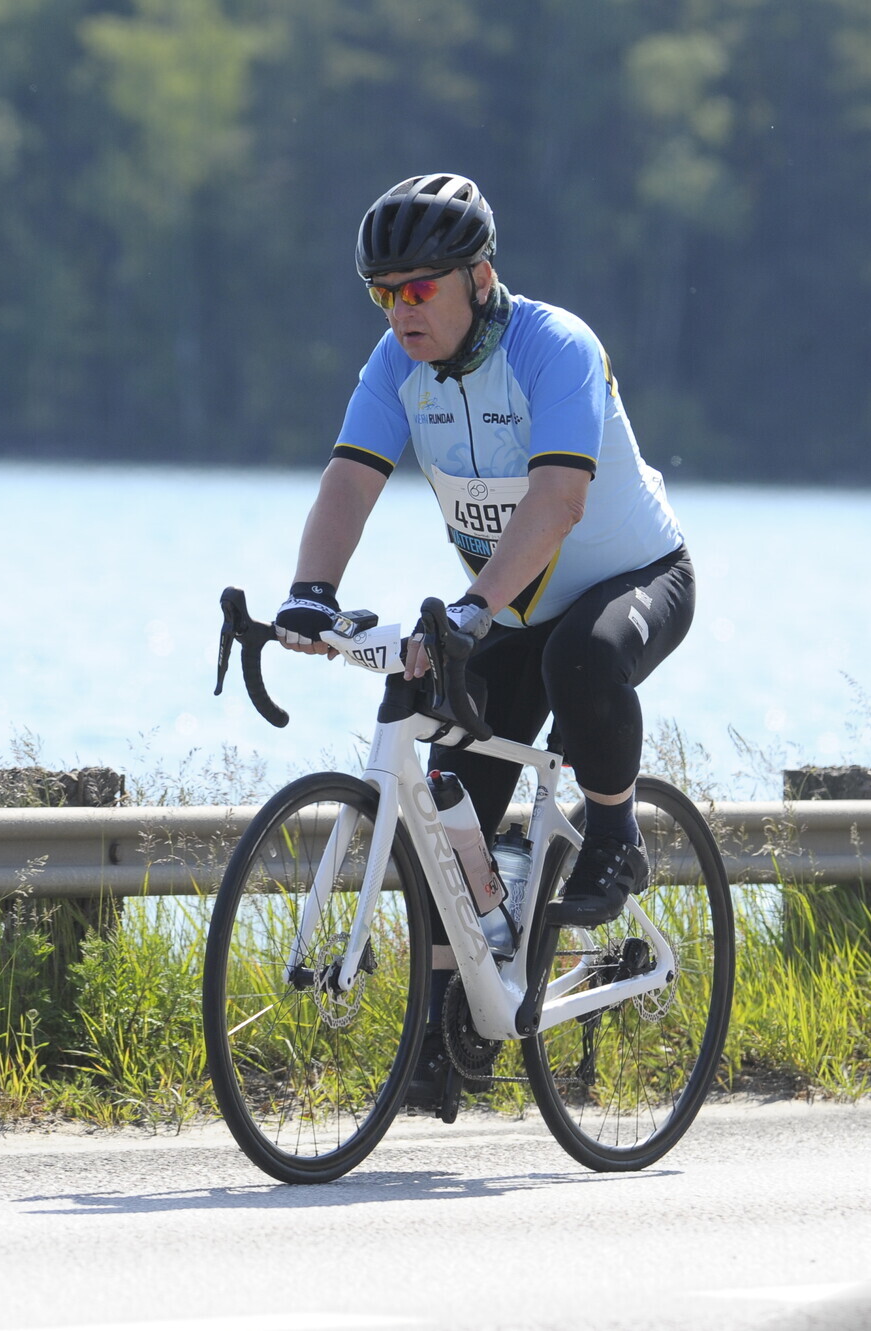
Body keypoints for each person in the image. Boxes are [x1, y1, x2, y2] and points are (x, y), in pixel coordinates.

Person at [271, 173, 695, 1111]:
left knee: (580, 658)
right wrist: (310, 592)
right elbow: (350, 480)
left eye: (420, 289)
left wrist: (472, 606)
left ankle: (615, 833)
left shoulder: (556, 346)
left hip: (634, 579)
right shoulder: (396, 366)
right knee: (444, 803)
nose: (401, 312)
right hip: (506, 607)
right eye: (383, 294)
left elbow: (559, 500)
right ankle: (446, 1029)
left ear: (480, 277)